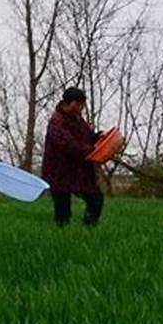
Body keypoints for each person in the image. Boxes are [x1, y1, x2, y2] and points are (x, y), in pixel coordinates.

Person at [42, 87, 104, 227]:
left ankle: (89, 228)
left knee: (96, 199)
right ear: (67, 103)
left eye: (82, 105)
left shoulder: (78, 119)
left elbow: (87, 137)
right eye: (78, 105)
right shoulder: (56, 123)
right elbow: (70, 146)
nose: (81, 108)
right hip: (58, 171)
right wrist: (91, 149)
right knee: (63, 212)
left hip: (79, 170)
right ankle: (62, 237)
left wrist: (98, 138)